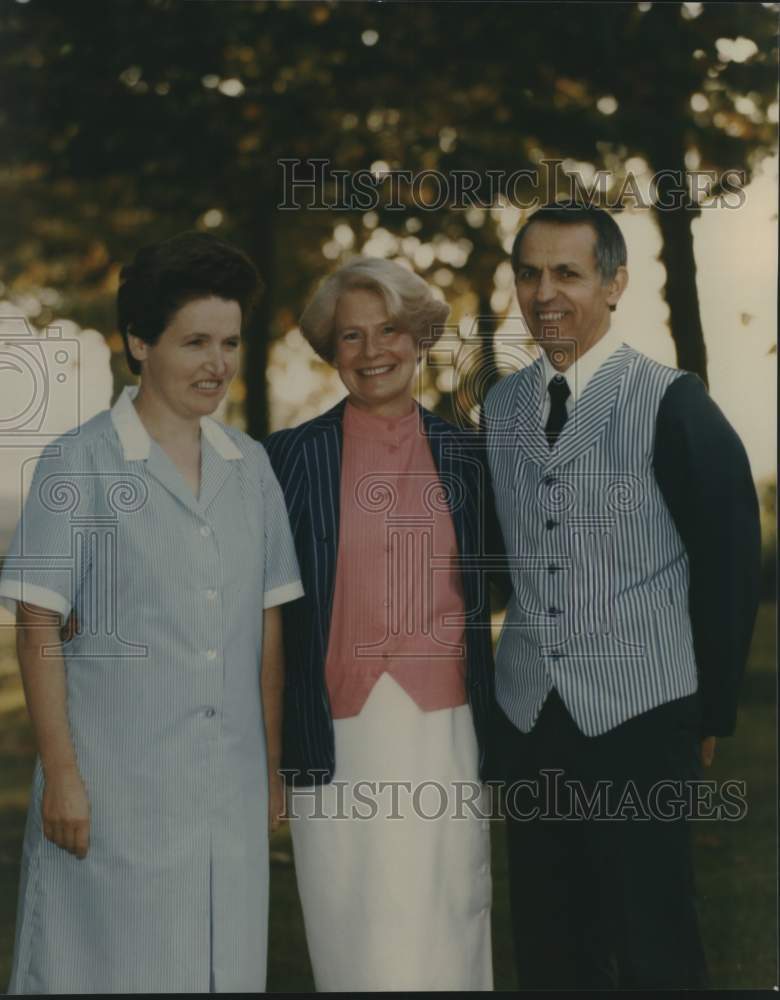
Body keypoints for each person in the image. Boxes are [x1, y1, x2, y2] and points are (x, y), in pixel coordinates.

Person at [0, 230, 303, 994]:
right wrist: (63, 778)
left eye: (230, 342)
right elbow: (37, 627)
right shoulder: (79, 462)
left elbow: (267, 628)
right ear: (139, 341)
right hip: (114, 793)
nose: (218, 364)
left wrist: (268, 769)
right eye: (194, 341)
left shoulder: (252, 467)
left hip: (226, 792)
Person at [482, 201, 761, 989]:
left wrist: (710, 711)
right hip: (532, 712)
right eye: (529, 273)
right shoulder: (500, 409)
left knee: (652, 935)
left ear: (614, 285)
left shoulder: (673, 402)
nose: (545, 293)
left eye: (568, 273)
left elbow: (729, 559)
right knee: (550, 938)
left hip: (642, 712)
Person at [264, 257, 495, 991]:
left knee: (448, 912)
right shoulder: (291, 459)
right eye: (351, 336)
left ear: (421, 336)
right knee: (351, 925)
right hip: (334, 732)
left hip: (444, 725)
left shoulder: (471, 455)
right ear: (332, 352)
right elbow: (244, 592)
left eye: (389, 330)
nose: (373, 353)